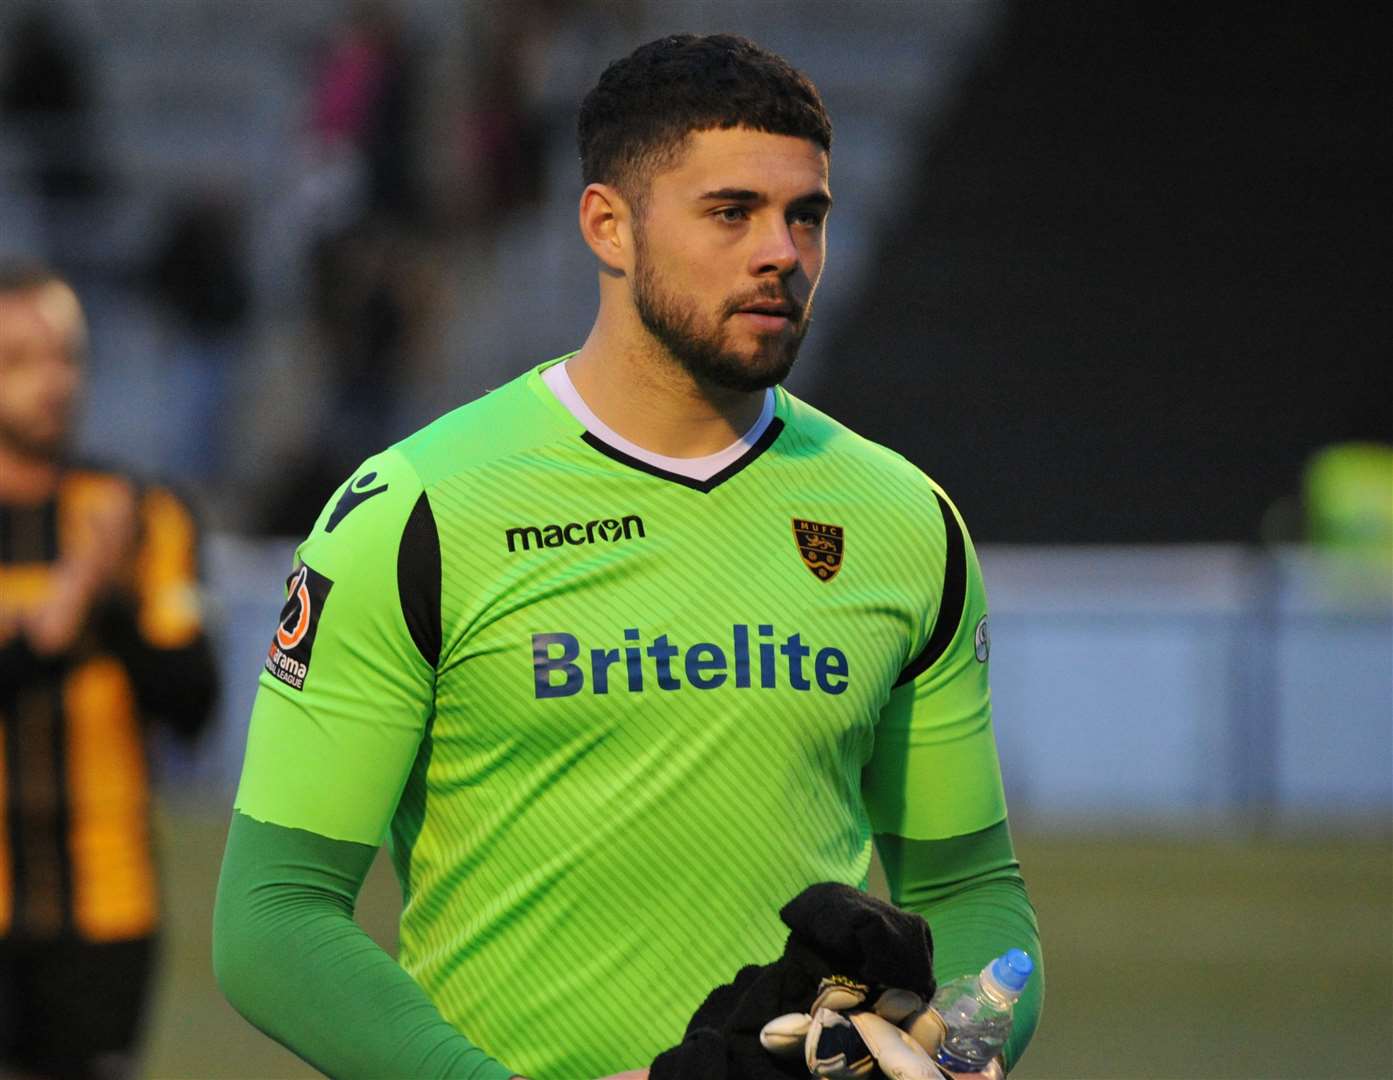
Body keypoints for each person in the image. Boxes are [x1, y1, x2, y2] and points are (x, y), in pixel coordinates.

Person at [214, 34, 1043, 1080]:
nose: (781, 252)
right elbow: (272, 918)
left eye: (808, 216)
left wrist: (958, 1050)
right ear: (608, 224)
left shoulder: (904, 518)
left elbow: (971, 890)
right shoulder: (414, 510)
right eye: (731, 212)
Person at [0, 262, 219, 1078]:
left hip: (109, 901)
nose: (51, 382)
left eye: (65, 357)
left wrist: (113, 604)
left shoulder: (143, 514)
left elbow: (194, 706)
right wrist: (56, 622)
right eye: (19, 360)